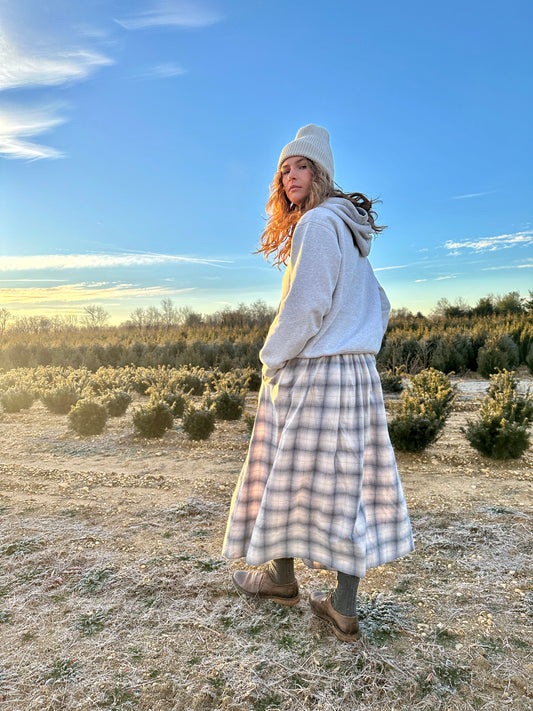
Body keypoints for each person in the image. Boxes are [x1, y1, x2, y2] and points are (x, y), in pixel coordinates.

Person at [222, 124, 413, 642]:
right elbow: (382, 303)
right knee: (345, 485)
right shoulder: (350, 233)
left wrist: (271, 358)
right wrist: (358, 338)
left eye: (300, 166)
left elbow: (305, 305)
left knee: (287, 473)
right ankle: (337, 602)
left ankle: (283, 580)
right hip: (355, 374)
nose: (289, 176)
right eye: (284, 169)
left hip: (315, 372)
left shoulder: (316, 226)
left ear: (321, 172)